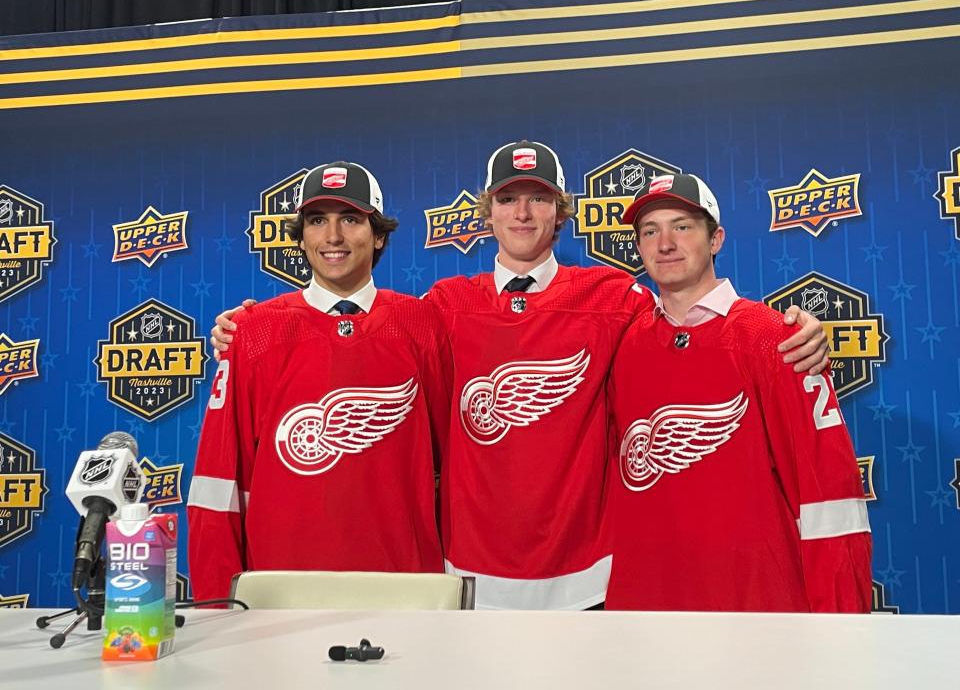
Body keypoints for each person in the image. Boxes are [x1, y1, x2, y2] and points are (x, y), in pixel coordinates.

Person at [210, 142, 829, 610]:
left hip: (587, 576)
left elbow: (690, 319)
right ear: (487, 213)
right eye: (508, 198)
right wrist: (242, 330)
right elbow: (350, 343)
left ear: (560, 213)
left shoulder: (614, 296)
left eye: (537, 198)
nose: (523, 212)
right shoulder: (442, 308)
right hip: (468, 575)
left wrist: (792, 330)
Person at [604, 173, 871, 612]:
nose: (665, 243)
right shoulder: (625, 343)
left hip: (754, 612)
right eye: (650, 231)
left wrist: (842, 626)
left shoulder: (774, 337)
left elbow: (829, 496)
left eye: (683, 226)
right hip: (644, 613)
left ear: (716, 239)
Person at [187, 161, 449, 602]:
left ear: (379, 234)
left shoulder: (423, 324)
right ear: (302, 237)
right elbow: (217, 483)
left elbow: (454, 468)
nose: (332, 236)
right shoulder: (253, 331)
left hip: (404, 586)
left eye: (350, 219)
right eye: (317, 221)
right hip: (281, 590)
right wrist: (218, 603)